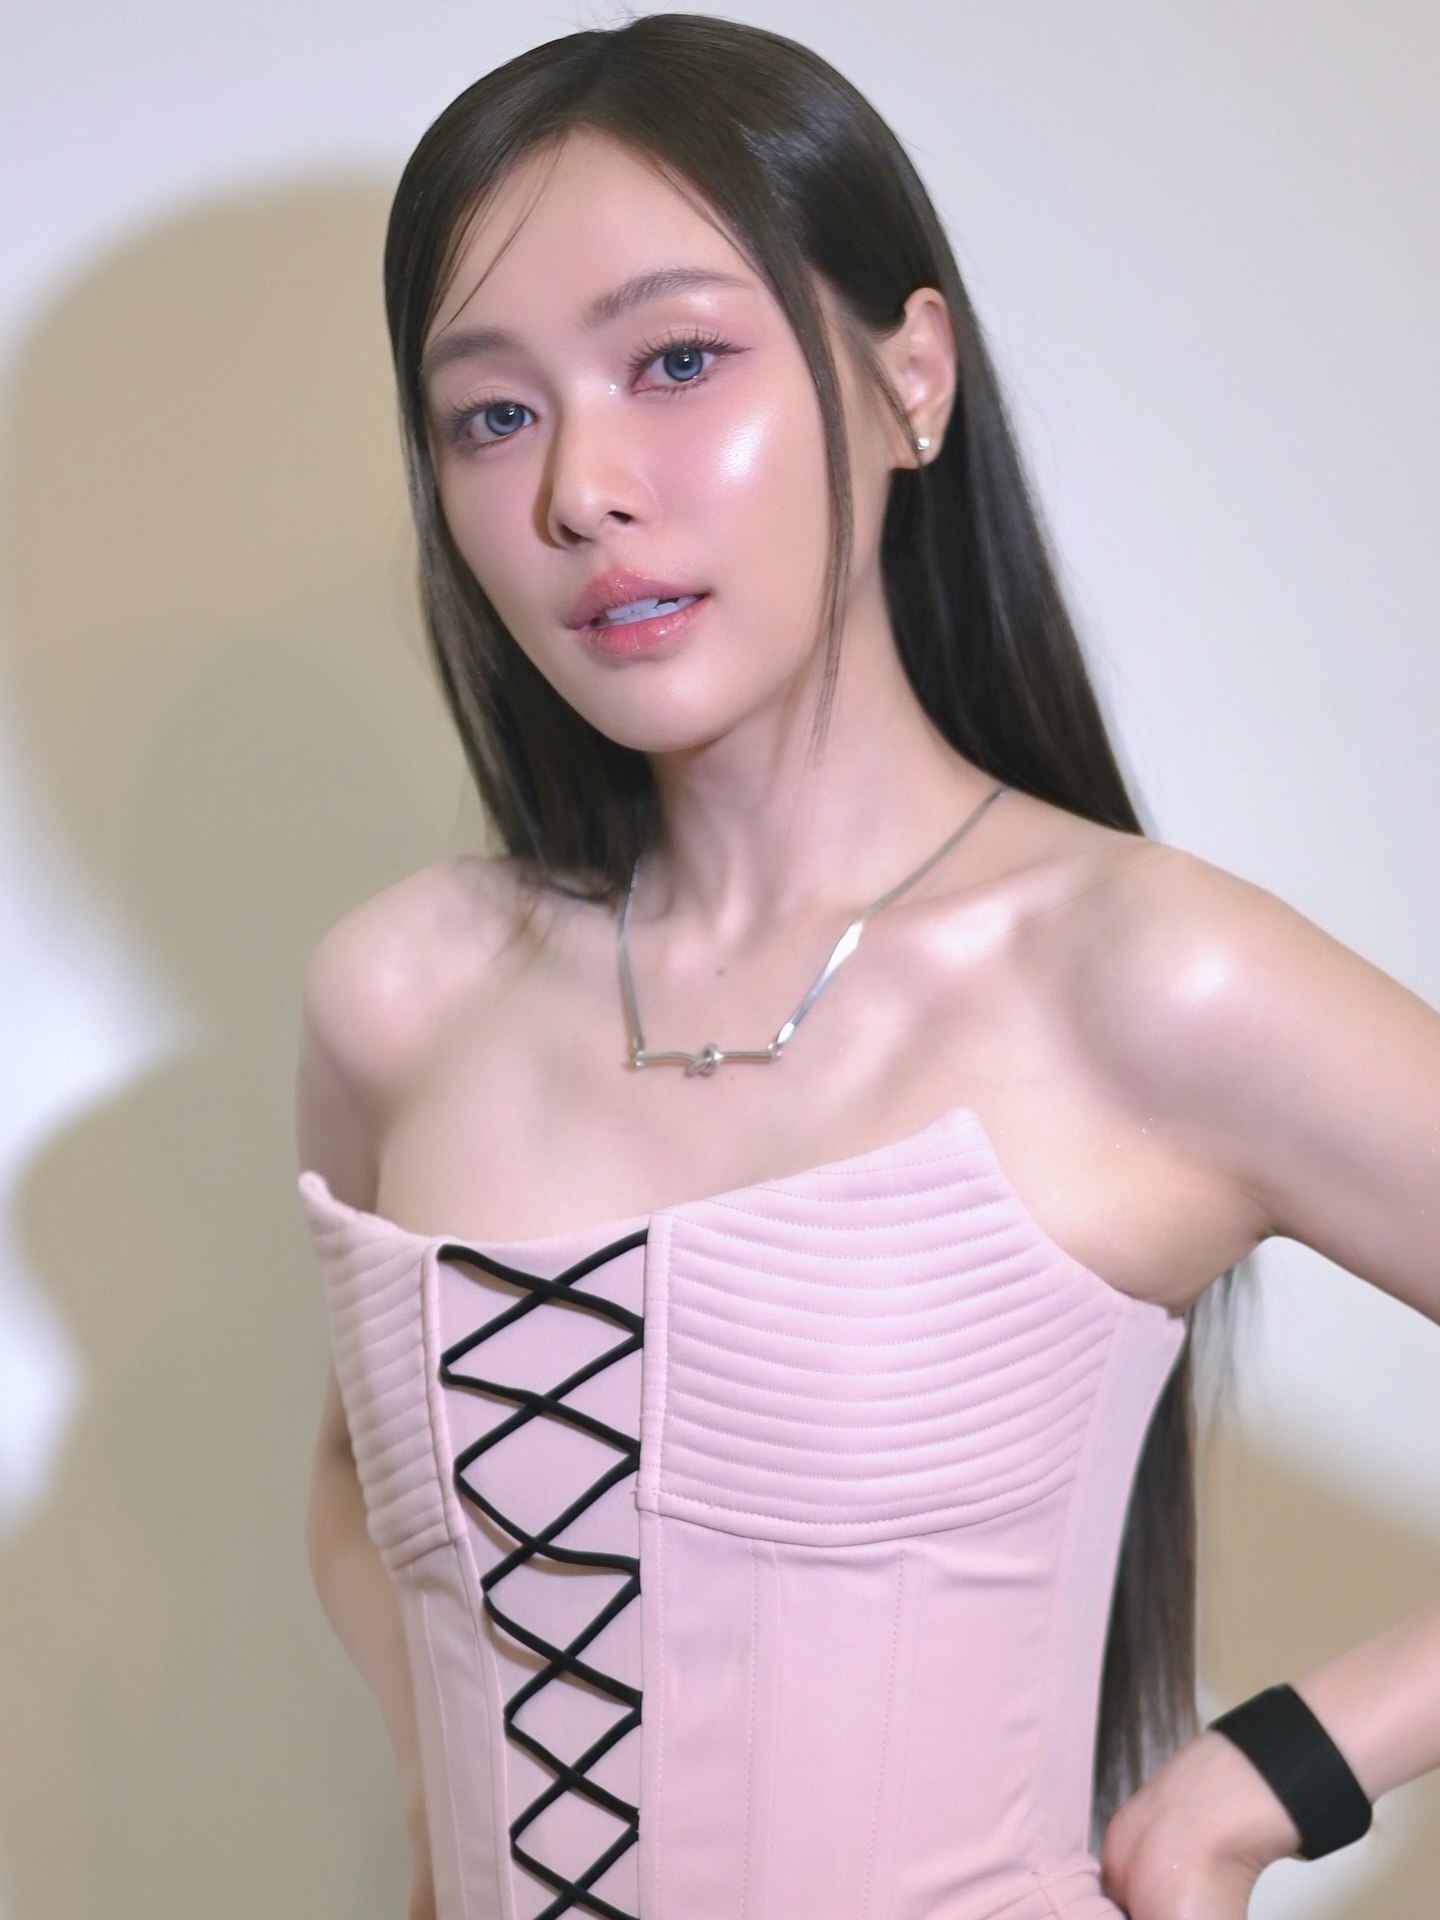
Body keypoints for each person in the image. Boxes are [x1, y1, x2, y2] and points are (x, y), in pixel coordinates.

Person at [297, 16, 1440, 1919]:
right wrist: (442, 1787)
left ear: (911, 377)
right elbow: (359, 1479)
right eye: (492, 414)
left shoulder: (1135, 978)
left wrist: (1254, 1790)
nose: (583, 489)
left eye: (677, 361)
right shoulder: (402, 996)